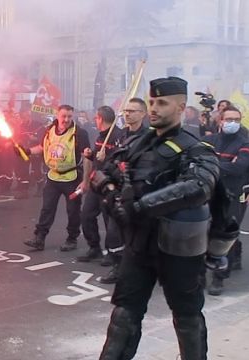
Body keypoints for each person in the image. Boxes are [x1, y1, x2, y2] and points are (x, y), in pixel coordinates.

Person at [93, 77, 220, 359]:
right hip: (139, 245)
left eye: (161, 103)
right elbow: (102, 172)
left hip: (179, 248)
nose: (154, 108)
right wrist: (112, 194)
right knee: (124, 315)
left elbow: (200, 185)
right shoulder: (137, 144)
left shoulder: (195, 148)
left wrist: (139, 207)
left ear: (181, 107)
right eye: (151, 102)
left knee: (187, 318)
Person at [202, 106, 249, 296]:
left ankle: (219, 277)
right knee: (202, 233)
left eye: (236, 119)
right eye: (229, 119)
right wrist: (227, 164)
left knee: (224, 235)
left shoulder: (246, 145)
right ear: (220, 120)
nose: (232, 123)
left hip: (232, 195)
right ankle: (200, 273)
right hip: (208, 193)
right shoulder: (209, 141)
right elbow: (197, 159)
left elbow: (242, 168)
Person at [18, 104, 92, 251]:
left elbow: (87, 158)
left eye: (70, 116)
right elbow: (42, 147)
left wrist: (85, 181)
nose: (66, 119)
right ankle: (39, 238)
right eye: (63, 116)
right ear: (57, 115)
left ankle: (72, 239)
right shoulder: (49, 130)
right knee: (47, 209)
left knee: (73, 210)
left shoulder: (80, 133)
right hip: (53, 177)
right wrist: (27, 151)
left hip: (72, 178)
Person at [98, 97, 149, 284]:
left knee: (139, 234)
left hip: (140, 191)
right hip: (120, 191)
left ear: (143, 114)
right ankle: (118, 267)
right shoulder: (120, 135)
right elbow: (113, 161)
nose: (127, 114)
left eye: (132, 111)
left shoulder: (149, 138)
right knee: (114, 233)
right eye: (126, 111)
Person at [77, 106, 125, 263]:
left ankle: (112, 252)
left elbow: (121, 160)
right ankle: (94, 247)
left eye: (96, 118)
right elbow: (95, 158)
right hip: (96, 182)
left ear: (100, 118)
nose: (95, 121)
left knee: (109, 220)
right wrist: (90, 155)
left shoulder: (119, 135)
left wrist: (107, 157)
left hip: (110, 185)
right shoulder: (100, 137)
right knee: (86, 215)